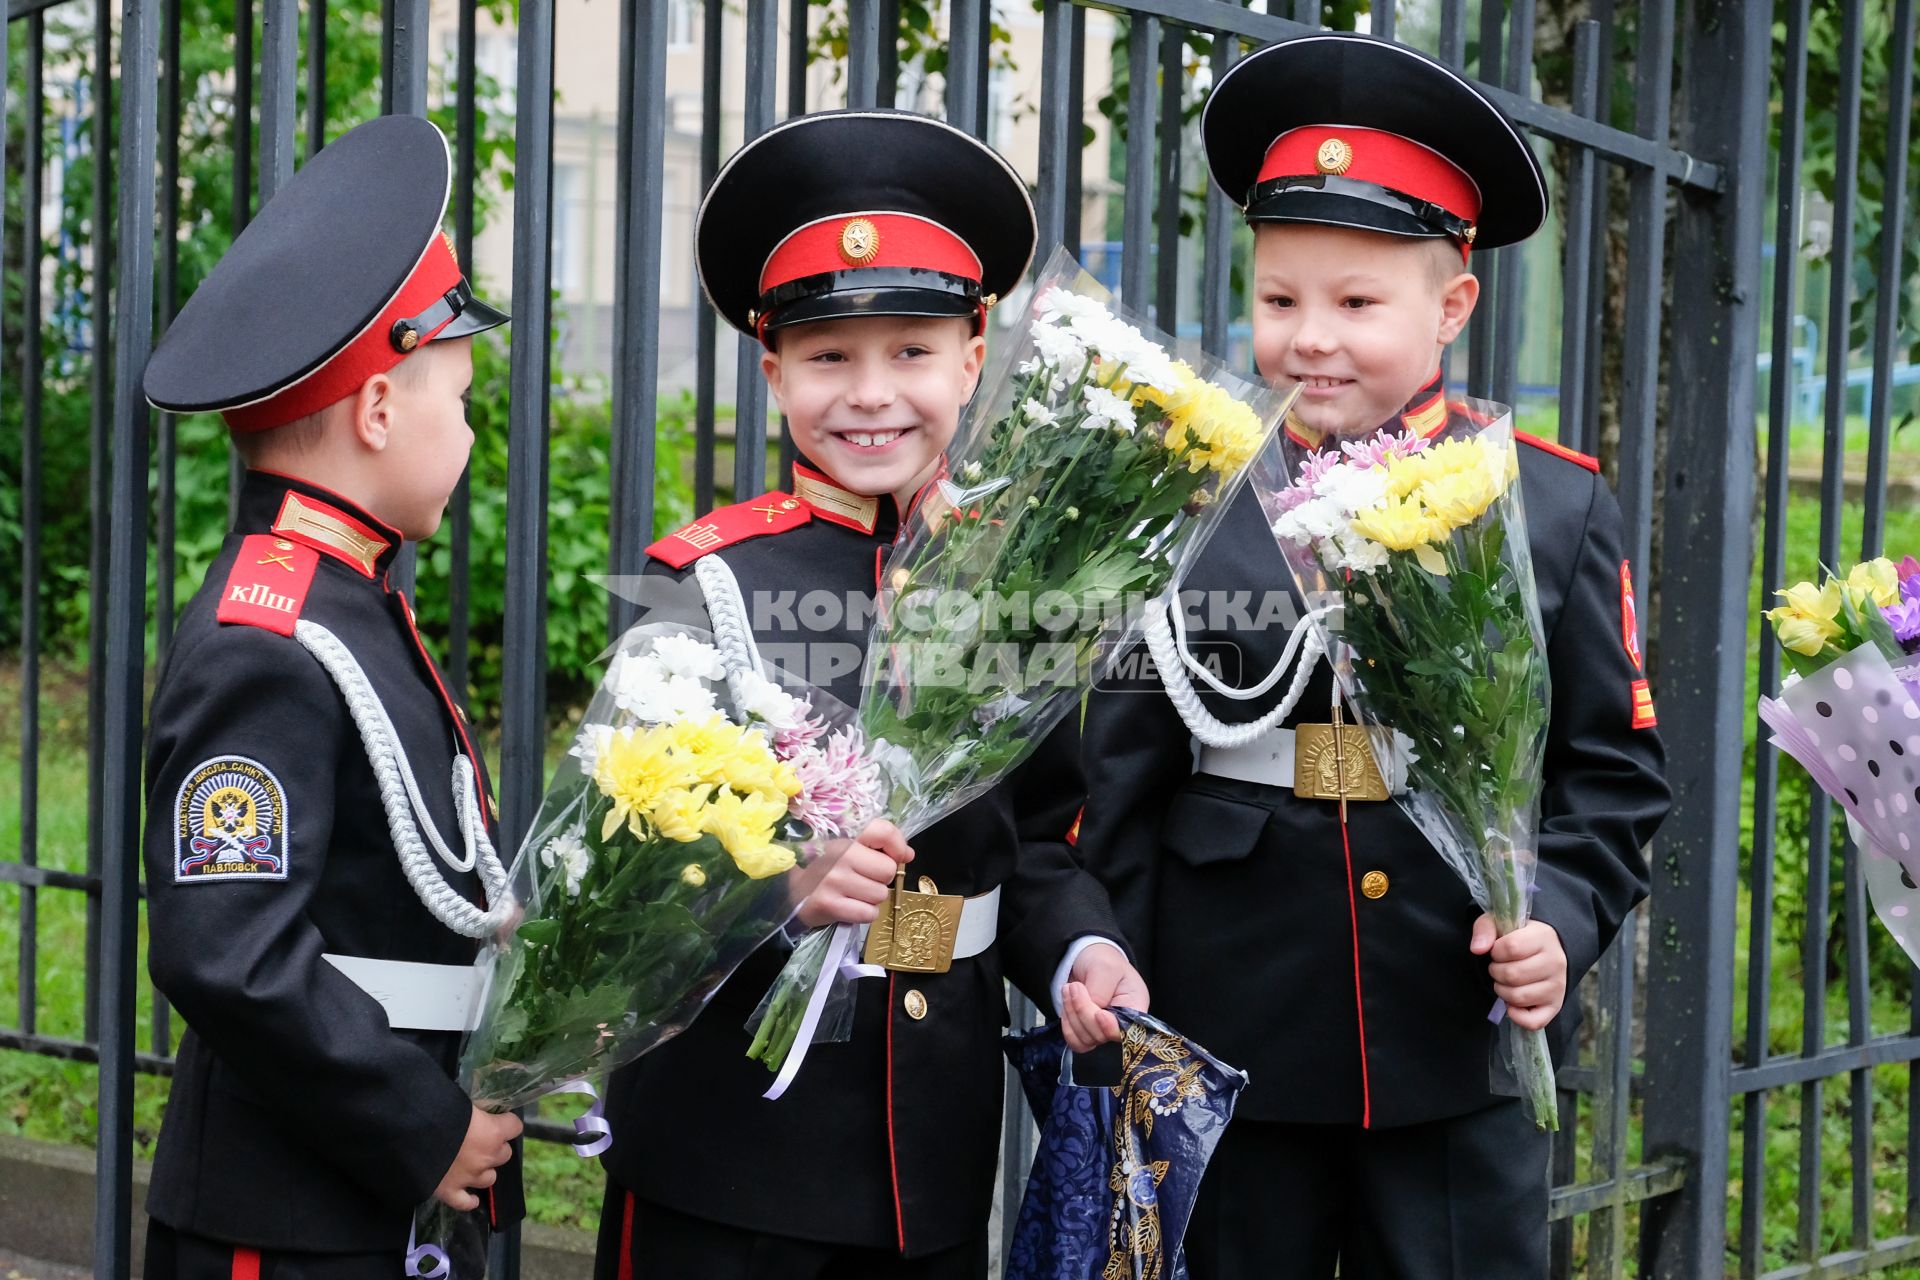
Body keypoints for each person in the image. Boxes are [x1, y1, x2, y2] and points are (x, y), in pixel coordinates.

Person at [1075, 33, 1672, 1280]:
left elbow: (1610, 776)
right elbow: (1120, 772)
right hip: (1229, 1027)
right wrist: (1125, 984)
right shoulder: (1187, 496)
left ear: (1451, 303)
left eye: (1358, 302)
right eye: (1281, 298)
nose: (1311, 339)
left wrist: (1556, 918)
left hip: (1454, 1039)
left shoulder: (1545, 505)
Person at [590, 108, 1147, 1280]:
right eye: (830, 356)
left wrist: (1079, 949)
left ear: (974, 353)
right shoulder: (710, 583)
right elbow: (618, 876)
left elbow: (1039, 841)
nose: (871, 393)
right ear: (773, 365)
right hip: (729, 1157)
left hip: (929, 1165)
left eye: (911, 351)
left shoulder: (1017, 581)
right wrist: (778, 883)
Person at [139, 114, 524, 1279]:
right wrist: (422, 1122)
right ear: (375, 413)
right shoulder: (267, 636)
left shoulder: (341, 597)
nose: (468, 427)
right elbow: (229, 952)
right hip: (288, 1219)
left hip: (354, 1201)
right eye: (457, 398)